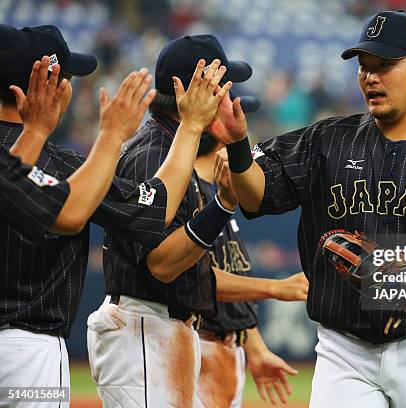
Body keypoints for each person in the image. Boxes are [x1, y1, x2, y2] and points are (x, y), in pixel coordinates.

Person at [212, 11, 406, 408]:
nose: (370, 77)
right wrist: (238, 145)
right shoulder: (325, 140)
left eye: (385, 66)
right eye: (364, 67)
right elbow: (255, 196)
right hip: (345, 347)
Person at [0, 24, 227, 404]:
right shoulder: (62, 165)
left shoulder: (32, 160)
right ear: (45, 86)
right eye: (67, 78)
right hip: (28, 353)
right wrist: (116, 136)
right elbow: (152, 207)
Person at [88, 34, 308, 408]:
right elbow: (162, 264)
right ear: (196, 88)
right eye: (222, 84)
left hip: (163, 326)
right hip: (144, 324)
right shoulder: (156, 150)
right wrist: (222, 205)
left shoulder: (173, 145)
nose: (228, 94)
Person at [193, 134, 304, 408]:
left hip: (228, 346)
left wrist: (255, 349)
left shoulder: (221, 196)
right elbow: (193, 277)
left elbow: (231, 272)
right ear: (220, 138)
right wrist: (276, 288)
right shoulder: (188, 191)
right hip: (197, 343)